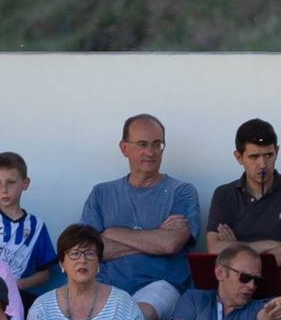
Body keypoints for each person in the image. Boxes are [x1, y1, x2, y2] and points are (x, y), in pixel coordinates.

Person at [81, 114, 203, 294]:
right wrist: (156, 236)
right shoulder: (101, 193)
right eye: (142, 144)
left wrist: (111, 233)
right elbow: (89, 252)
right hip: (106, 285)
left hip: (161, 285)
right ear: (124, 148)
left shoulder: (182, 192)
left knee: (141, 314)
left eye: (157, 144)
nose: (151, 152)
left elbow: (169, 244)